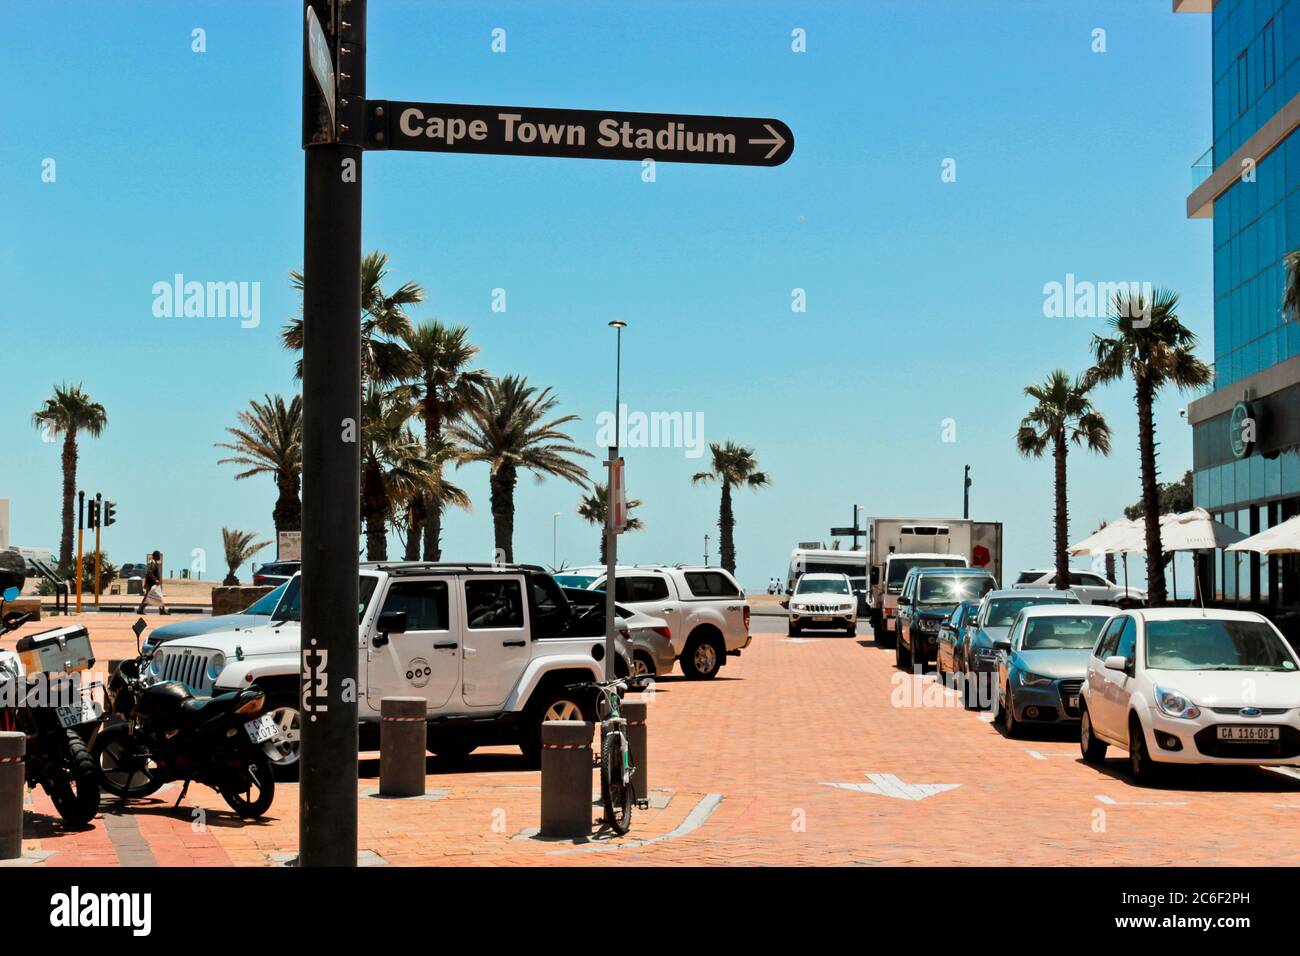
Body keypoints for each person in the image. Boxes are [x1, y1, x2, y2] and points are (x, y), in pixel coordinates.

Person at [136, 550, 169, 615]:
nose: (160, 556)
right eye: (159, 555)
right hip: (152, 584)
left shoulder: (154, 562)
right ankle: (161, 611)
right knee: (154, 597)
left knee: (153, 597)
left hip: (152, 584)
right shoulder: (153, 563)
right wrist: (155, 580)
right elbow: (150, 573)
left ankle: (141, 609)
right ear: (156, 555)